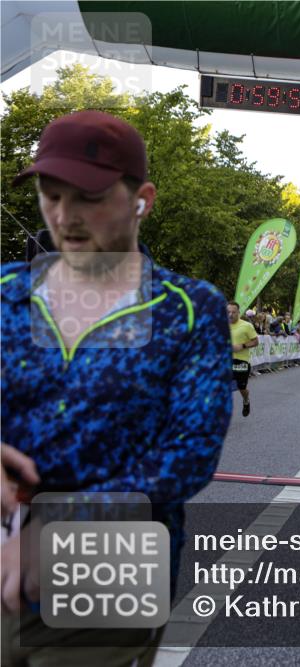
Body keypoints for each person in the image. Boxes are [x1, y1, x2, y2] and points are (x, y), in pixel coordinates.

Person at [1, 110, 231, 661]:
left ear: (141, 198)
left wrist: (55, 526)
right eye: (51, 196)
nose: (65, 216)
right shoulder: (7, 290)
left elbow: (187, 458)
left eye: (89, 197)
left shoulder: (189, 308)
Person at [229, 302, 259, 417]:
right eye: (228, 312)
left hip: (241, 362)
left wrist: (242, 346)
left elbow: (256, 341)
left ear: (238, 312)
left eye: (233, 312)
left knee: (242, 388)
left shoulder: (246, 326)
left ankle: (246, 400)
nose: (230, 314)